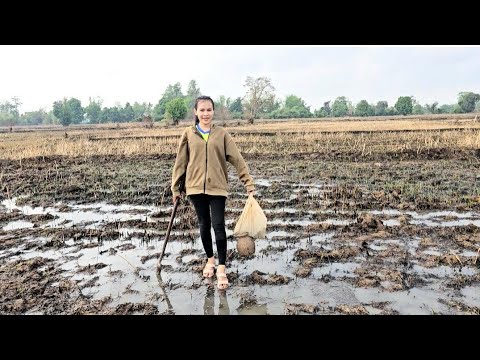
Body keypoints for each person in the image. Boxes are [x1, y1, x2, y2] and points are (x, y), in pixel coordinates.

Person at [171, 95, 255, 290]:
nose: (205, 113)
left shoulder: (222, 134)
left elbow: (237, 159)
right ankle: (210, 260)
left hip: (217, 187)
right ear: (195, 112)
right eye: (202, 110)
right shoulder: (189, 134)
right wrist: (176, 188)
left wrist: (247, 181)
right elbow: (180, 163)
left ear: (213, 111)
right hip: (194, 188)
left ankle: (222, 269)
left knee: (218, 226)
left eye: (209, 110)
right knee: (203, 225)